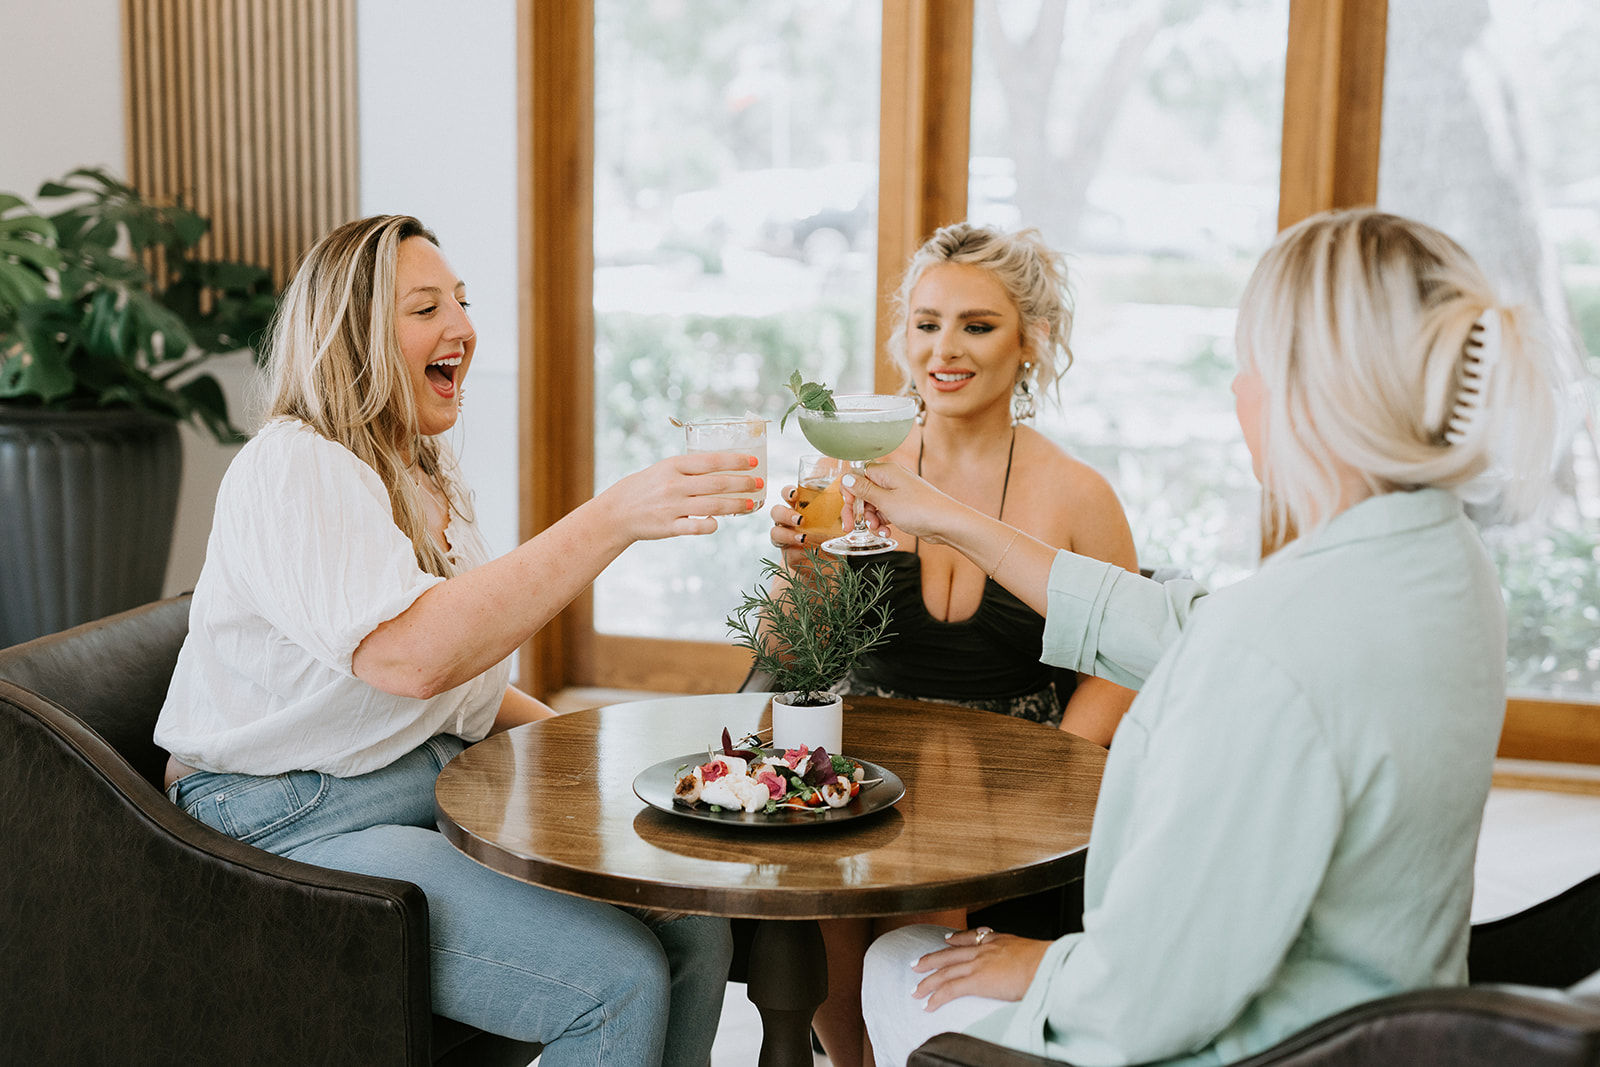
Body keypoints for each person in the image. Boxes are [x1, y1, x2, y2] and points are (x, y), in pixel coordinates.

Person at [847, 208, 1574, 1066]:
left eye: (1251, 367)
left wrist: (1047, 964)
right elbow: (1194, 627)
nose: (1238, 392)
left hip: (1265, 1046)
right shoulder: (1447, 565)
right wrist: (948, 517)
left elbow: (1145, 1000)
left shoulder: (1268, 650)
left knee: (896, 963)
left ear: (1313, 391)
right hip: (1397, 1015)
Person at [154, 215, 760, 1066]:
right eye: (425, 307)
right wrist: (613, 516)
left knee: (693, 921)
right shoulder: (295, 464)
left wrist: (597, 754)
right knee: (615, 979)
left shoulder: (419, 470)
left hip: (404, 777)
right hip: (277, 815)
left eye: (463, 302)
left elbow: (462, 687)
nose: (463, 327)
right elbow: (411, 658)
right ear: (354, 335)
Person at [767, 222, 1139, 1066]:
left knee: (928, 890)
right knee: (819, 880)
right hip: (867, 745)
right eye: (927, 323)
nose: (945, 349)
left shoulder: (1079, 493)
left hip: (1011, 763)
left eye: (977, 325)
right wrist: (795, 563)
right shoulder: (850, 466)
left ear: (1031, 342)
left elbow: (1124, 666)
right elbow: (785, 644)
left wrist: (1053, 769)